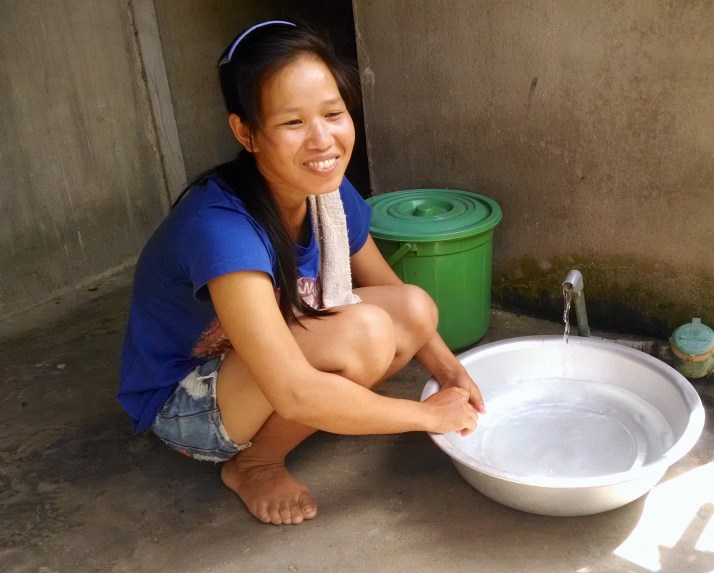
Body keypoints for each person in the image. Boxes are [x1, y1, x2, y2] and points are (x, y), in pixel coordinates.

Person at [117, 20, 484, 526]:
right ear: (245, 132)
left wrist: (453, 374)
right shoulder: (220, 227)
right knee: (366, 334)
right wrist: (428, 416)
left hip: (251, 372)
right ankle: (255, 464)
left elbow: (393, 295)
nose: (322, 140)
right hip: (186, 405)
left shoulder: (328, 195)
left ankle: (312, 414)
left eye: (333, 113)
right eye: (292, 123)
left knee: (412, 306)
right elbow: (291, 390)